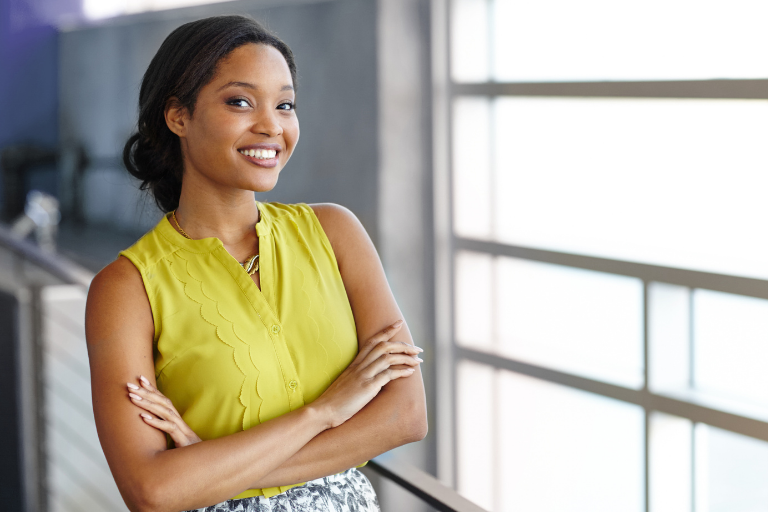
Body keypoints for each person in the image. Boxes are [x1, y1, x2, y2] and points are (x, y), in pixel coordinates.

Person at [85, 15, 427, 512]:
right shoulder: (126, 288)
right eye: (240, 101)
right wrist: (325, 412)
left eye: (285, 105)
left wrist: (209, 466)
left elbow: (406, 416)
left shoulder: (336, 234)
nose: (272, 125)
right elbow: (152, 491)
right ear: (178, 115)